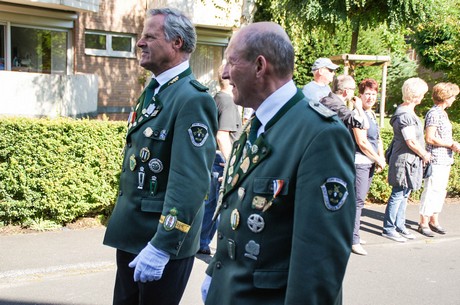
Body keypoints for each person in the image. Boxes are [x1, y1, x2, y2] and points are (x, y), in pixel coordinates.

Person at [201, 21, 356, 305]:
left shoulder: (320, 133)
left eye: (231, 63)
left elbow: (319, 262)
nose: (224, 73)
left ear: (260, 67)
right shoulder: (256, 125)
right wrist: (215, 273)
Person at [103, 8, 217, 305]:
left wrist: (163, 245)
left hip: (160, 240)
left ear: (176, 43)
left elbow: (190, 182)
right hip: (133, 234)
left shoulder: (192, 98)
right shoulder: (155, 91)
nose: (140, 43)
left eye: (149, 36)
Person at [198, 64, 242, 255]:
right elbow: (222, 136)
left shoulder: (217, 98)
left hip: (214, 158)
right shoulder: (229, 102)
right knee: (220, 207)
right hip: (222, 160)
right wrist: (232, 162)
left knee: (211, 205)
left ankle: (200, 241)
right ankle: (204, 242)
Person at [382, 77, 430, 242]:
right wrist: (424, 154)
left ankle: (399, 226)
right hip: (404, 160)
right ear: (415, 95)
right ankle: (389, 228)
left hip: (409, 160)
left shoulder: (407, 112)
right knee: (398, 193)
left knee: (404, 193)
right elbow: (410, 141)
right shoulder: (405, 115)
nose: (423, 97)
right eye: (422, 94)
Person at [418, 82, 460, 237]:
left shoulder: (443, 113)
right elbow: (430, 137)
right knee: (431, 190)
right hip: (436, 158)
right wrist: (450, 144)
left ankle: (434, 220)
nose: (454, 99)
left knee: (440, 191)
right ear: (446, 97)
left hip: (445, 159)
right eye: (453, 96)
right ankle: (423, 222)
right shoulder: (434, 113)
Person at [350, 79, 386, 255]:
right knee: (357, 202)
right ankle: (353, 239)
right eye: (367, 94)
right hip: (360, 163)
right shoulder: (357, 114)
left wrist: (381, 157)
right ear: (360, 95)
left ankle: (353, 233)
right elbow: (362, 142)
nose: (371, 97)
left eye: (374, 94)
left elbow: (377, 138)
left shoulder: (371, 114)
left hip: (370, 162)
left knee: (359, 201)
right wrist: (378, 159)